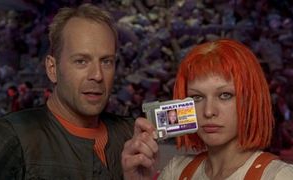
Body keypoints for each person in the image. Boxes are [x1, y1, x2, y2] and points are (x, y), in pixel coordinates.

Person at [0, 4, 134, 179]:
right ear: (52, 69)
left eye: (106, 61)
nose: (97, 75)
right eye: (81, 61)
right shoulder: (9, 140)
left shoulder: (130, 136)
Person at [121, 39, 293, 180]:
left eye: (225, 95)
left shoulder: (278, 176)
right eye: (197, 98)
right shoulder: (177, 172)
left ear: (250, 100)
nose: (208, 111)